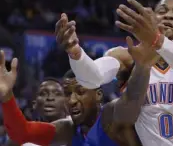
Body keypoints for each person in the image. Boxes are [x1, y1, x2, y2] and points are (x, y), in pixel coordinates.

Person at [56, 0, 173, 146]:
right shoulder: (127, 56)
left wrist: (158, 41)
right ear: (151, 19)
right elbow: (91, 78)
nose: (168, 15)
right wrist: (75, 53)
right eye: (162, 11)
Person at [0, 33, 157, 146]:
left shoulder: (111, 114)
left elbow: (132, 100)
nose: (72, 100)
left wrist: (143, 66)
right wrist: (7, 96)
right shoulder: (68, 129)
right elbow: (22, 133)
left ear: (98, 95)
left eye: (81, 92)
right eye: (68, 94)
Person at [6, 78, 68, 146]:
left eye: (57, 94)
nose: (50, 98)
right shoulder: (20, 140)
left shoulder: (76, 130)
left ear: (66, 102)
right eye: (43, 94)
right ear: (34, 104)